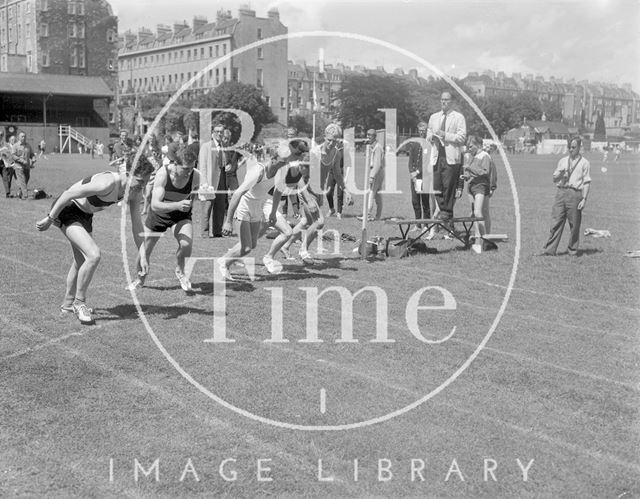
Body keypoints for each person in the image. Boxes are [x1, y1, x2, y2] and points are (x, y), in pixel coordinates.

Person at [35, 155, 154, 325]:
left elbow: (137, 224)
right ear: (127, 172)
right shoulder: (107, 183)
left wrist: (143, 255)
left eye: (146, 182)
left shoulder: (134, 191)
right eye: (140, 181)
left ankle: (68, 305)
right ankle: (79, 303)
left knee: (81, 260)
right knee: (93, 255)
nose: (142, 186)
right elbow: (68, 194)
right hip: (67, 209)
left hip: (85, 215)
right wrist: (49, 218)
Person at [130, 143, 200, 291]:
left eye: (192, 167)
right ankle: (139, 279)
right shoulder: (163, 174)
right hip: (159, 215)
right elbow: (155, 205)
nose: (189, 172)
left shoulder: (195, 175)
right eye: (186, 168)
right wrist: (177, 204)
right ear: (175, 164)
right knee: (144, 250)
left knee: (186, 245)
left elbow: (194, 194)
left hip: (181, 215)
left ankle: (180, 272)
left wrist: (203, 197)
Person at [218, 143, 294, 279]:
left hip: (257, 207)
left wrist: (272, 214)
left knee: (252, 244)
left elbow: (278, 192)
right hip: (244, 206)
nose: (285, 165)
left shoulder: (282, 170)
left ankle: (226, 260)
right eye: (283, 162)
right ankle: (223, 262)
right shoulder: (258, 171)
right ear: (274, 158)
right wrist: (228, 221)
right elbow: (237, 194)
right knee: (246, 247)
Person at [540, 137, 591, 257]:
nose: (571, 149)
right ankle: (549, 250)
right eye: (569, 147)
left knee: (574, 224)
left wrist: (584, 199)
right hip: (561, 192)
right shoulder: (562, 161)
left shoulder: (585, 163)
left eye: (573, 147)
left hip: (575, 193)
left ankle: (572, 251)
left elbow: (587, 182)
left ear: (579, 147)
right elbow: (554, 179)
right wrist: (561, 174)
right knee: (556, 222)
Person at [426, 91, 467, 225]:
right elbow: (428, 133)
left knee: (449, 186)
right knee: (436, 185)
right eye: (442, 99)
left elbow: (462, 137)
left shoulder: (458, 117)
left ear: (451, 101)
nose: (444, 102)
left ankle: (447, 212)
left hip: (451, 156)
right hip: (437, 155)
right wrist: (432, 137)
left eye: (446, 100)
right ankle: (443, 209)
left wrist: (446, 135)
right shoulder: (434, 117)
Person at [462, 135, 492, 253]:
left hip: (480, 186)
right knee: (475, 213)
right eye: (468, 146)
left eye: (471, 146)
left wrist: (470, 168)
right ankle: (477, 237)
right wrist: (466, 176)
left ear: (478, 145)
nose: (469, 149)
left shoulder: (484, 156)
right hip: (471, 186)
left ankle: (484, 240)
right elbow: (471, 172)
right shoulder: (471, 156)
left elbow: (484, 172)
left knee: (478, 212)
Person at [198, 124, 225, 238]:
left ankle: (217, 231)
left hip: (221, 181)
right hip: (209, 181)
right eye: (217, 131)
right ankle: (205, 232)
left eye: (221, 132)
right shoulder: (206, 146)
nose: (219, 134)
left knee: (220, 207)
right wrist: (204, 182)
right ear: (212, 133)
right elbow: (202, 165)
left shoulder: (223, 146)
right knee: (207, 207)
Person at [405, 121, 431, 226]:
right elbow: (411, 160)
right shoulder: (415, 143)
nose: (422, 132)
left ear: (426, 131)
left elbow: (427, 161)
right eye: (420, 130)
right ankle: (417, 223)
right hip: (414, 178)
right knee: (415, 201)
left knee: (425, 202)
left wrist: (417, 172)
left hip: (424, 177)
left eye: (424, 131)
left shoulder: (429, 143)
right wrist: (412, 172)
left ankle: (426, 224)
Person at [357, 129, 385, 221]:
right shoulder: (373, 146)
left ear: (374, 136)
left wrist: (372, 176)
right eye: (367, 135)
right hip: (377, 171)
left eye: (370, 135)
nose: (368, 137)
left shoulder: (377, 147)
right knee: (377, 194)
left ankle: (367, 215)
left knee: (371, 192)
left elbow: (377, 164)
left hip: (377, 171)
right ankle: (378, 216)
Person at [321, 124, 346, 219]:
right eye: (329, 140)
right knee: (328, 192)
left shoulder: (341, 150)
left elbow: (348, 165)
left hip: (340, 171)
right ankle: (332, 209)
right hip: (331, 172)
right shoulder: (318, 151)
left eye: (335, 140)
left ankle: (339, 212)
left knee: (340, 193)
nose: (332, 143)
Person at [12, 131, 35, 200]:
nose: (24, 138)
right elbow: (13, 156)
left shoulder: (28, 145)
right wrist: (21, 161)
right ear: (19, 137)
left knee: (26, 180)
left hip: (27, 167)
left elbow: (31, 154)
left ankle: (19, 192)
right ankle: (25, 196)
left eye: (25, 136)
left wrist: (33, 159)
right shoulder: (15, 146)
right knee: (22, 181)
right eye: (22, 136)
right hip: (18, 166)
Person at [222, 128, 241, 194]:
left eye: (228, 138)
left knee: (236, 195)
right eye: (225, 138)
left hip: (232, 176)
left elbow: (246, 157)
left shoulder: (234, 149)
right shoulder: (217, 149)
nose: (226, 140)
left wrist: (238, 164)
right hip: (222, 177)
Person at [0, 131, 15, 198]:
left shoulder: (6, 145)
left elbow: (10, 154)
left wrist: (6, 155)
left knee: (6, 178)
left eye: (1, 135)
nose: (0, 136)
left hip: (4, 163)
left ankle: (8, 193)